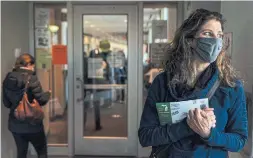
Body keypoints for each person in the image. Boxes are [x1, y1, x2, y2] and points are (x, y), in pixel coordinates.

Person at [138, 9, 248, 158]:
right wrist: (187, 126)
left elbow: (239, 140)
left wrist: (208, 134)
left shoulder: (231, 86)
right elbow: (146, 136)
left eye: (220, 35)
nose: (216, 40)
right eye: (208, 34)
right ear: (190, 40)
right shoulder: (163, 82)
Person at [2, 53, 51, 158]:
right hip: (33, 125)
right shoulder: (31, 78)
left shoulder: (8, 79)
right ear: (28, 64)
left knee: (21, 153)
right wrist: (48, 93)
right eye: (32, 65)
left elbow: (6, 103)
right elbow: (42, 100)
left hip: (15, 125)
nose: (33, 68)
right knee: (42, 152)